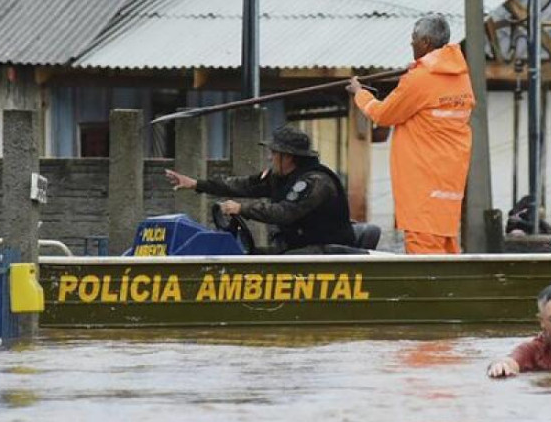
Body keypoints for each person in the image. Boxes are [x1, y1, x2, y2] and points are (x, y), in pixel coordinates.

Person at [346, 14, 474, 255]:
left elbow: (383, 114)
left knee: (425, 258)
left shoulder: (420, 79)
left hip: (422, 185)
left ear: (425, 42)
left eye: (414, 39)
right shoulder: (460, 77)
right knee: (447, 249)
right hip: (448, 185)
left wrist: (359, 93)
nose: (411, 44)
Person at [164, 126, 355, 252]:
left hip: (327, 250)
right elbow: (243, 185)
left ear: (288, 156)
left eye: (274, 153)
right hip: (297, 246)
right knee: (251, 255)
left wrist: (242, 209)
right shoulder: (280, 177)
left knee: (272, 266)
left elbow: (284, 212)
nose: (270, 158)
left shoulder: (316, 182)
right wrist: (197, 184)